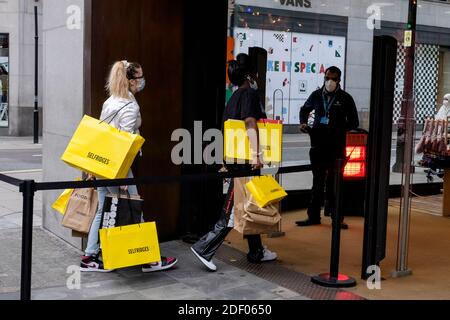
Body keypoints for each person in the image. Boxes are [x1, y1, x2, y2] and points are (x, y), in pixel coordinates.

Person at [80, 60, 177, 272]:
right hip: (117, 167)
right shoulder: (130, 105)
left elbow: (102, 134)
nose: (143, 80)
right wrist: (123, 174)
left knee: (103, 209)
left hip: (102, 163)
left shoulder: (111, 101)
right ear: (131, 80)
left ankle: (89, 257)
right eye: (140, 77)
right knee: (134, 208)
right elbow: (123, 142)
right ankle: (150, 259)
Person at [190, 53, 277, 271]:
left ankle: (256, 250)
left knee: (250, 202)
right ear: (250, 75)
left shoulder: (235, 96)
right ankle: (204, 247)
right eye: (255, 73)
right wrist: (257, 154)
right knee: (232, 209)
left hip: (234, 159)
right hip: (244, 161)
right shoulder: (248, 94)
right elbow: (249, 123)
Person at [296, 66, 359, 229]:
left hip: (336, 146)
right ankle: (313, 216)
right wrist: (303, 122)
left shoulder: (345, 98)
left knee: (335, 183)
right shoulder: (316, 95)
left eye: (333, 78)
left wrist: (338, 128)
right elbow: (304, 109)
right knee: (317, 182)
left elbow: (354, 122)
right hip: (317, 144)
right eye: (327, 78)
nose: (329, 81)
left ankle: (337, 218)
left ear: (339, 80)